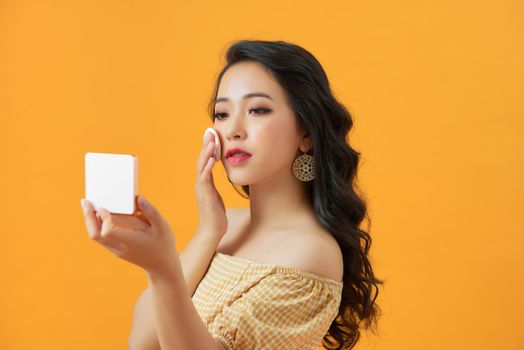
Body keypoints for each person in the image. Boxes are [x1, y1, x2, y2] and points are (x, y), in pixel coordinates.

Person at [104, 39, 383, 350]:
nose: (234, 129)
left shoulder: (310, 253)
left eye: (258, 110)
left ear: (305, 132)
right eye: (222, 114)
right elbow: (141, 343)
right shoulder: (226, 227)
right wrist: (207, 232)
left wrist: (163, 267)